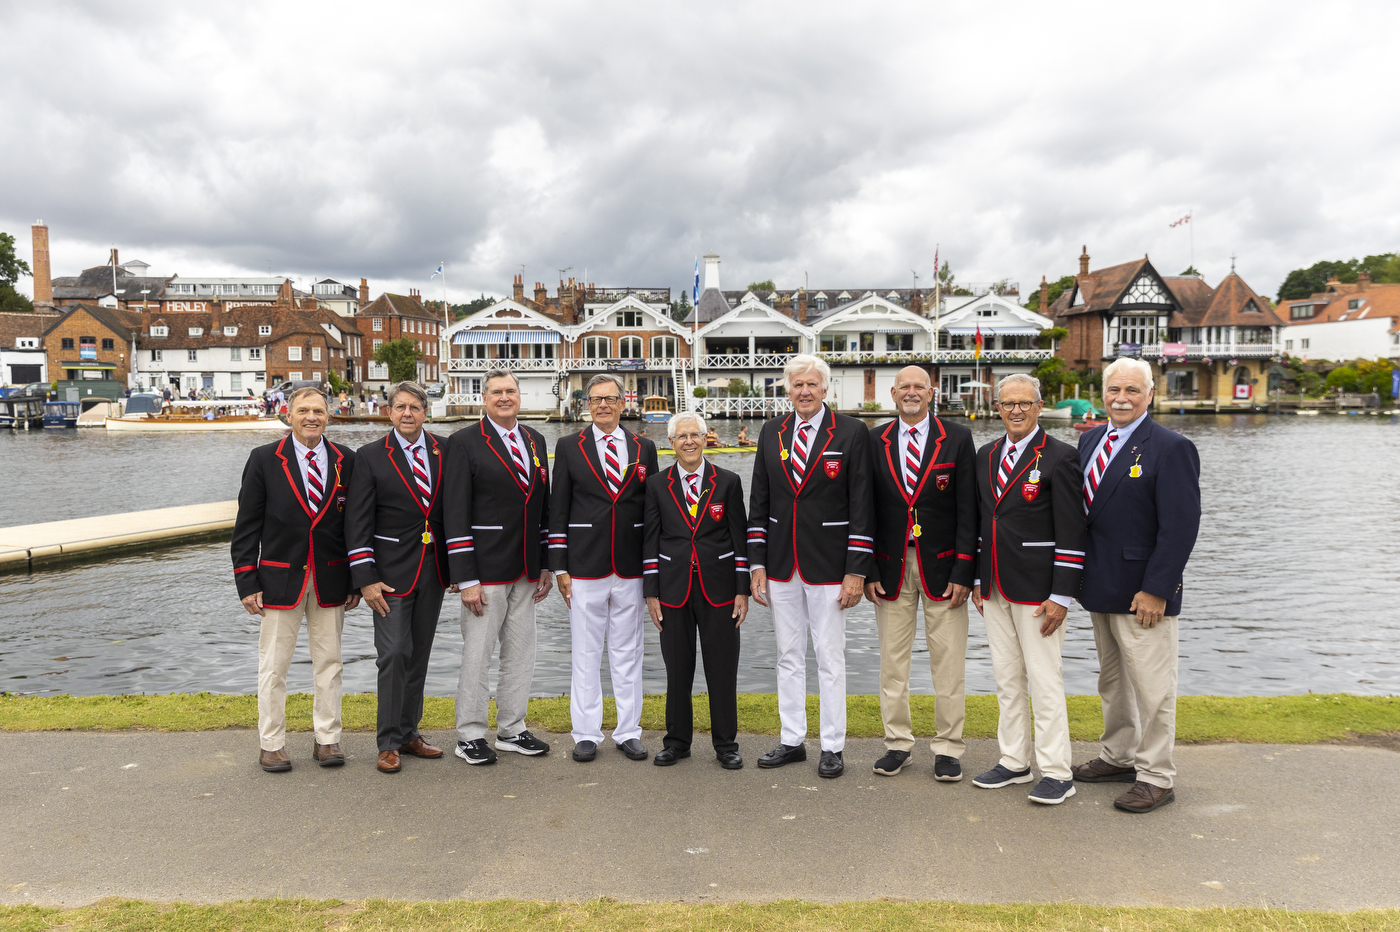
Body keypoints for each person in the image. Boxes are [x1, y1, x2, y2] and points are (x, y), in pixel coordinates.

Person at [1072, 358, 1201, 814]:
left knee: (1153, 687)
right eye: (1114, 390)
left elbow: (1180, 527)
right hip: (1098, 585)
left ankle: (1156, 775)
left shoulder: (1171, 447)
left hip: (1143, 592)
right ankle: (1119, 756)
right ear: (1102, 393)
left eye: (1132, 390)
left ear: (1150, 394)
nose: (1121, 398)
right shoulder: (1089, 439)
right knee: (1113, 682)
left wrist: (1158, 588)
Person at [748, 354, 875, 779]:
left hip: (830, 565)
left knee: (829, 657)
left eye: (812, 384)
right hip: (782, 564)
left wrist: (856, 570)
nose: (804, 391)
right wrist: (756, 563)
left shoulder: (853, 432)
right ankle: (792, 740)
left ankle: (833, 745)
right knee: (787, 654)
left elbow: (862, 505)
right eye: (797, 384)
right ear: (789, 390)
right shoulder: (772, 431)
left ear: (826, 389)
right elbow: (759, 503)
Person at [970, 373, 1086, 805]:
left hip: (1039, 591)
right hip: (995, 586)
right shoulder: (986, 455)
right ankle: (1014, 761)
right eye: (1008, 403)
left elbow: (1073, 532)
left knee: (1045, 681)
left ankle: (1057, 771)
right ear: (997, 408)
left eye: (1024, 403)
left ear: (1039, 406)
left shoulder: (1060, 457)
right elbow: (986, 522)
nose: (1016, 410)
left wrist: (1061, 596)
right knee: (1006, 679)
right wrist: (980, 580)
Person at [231, 387, 358, 772]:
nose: (311, 418)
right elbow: (246, 528)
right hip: (278, 580)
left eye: (318, 411)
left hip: (330, 579)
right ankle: (271, 743)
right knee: (273, 666)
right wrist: (247, 581)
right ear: (289, 414)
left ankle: (328, 740)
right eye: (303, 410)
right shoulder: (265, 459)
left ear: (329, 416)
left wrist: (356, 580)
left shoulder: (346, 461)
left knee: (330, 663)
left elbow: (353, 526)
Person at [865, 366, 977, 780]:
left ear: (932, 393)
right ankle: (897, 744)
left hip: (944, 567)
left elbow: (970, 510)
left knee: (948, 663)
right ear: (893, 393)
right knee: (893, 663)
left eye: (920, 387)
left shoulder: (958, 438)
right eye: (905, 387)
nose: (912, 393)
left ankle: (948, 747)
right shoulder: (873, 439)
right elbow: (865, 509)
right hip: (890, 568)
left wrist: (965, 570)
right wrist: (869, 567)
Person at [443, 369, 554, 765]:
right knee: (478, 654)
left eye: (510, 391)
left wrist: (546, 564)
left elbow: (542, 507)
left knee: (521, 653)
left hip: (525, 568)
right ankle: (470, 735)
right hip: (484, 570)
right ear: (484, 399)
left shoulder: (535, 440)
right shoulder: (463, 443)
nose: (504, 397)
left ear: (519, 396)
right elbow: (453, 512)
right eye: (496, 392)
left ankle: (512, 728)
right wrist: (466, 577)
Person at [549, 373, 660, 763]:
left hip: (630, 565)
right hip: (584, 564)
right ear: (587, 405)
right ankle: (586, 733)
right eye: (595, 400)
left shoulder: (644, 447)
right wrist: (559, 566)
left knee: (628, 652)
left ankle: (629, 730)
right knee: (585, 651)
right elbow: (557, 509)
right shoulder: (568, 446)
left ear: (622, 402)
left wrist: (652, 570)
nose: (603, 406)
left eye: (610, 399)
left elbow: (652, 511)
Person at [345, 381, 451, 774]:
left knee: (418, 655)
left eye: (415, 407)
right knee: (393, 654)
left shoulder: (444, 450)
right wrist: (365, 578)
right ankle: (387, 742)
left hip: (434, 569)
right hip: (388, 575)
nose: (408, 413)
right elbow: (357, 523)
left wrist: (457, 567)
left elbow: (451, 511)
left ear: (426, 412)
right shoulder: (370, 456)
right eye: (400, 407)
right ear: (389, 412)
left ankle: (409, 733)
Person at [643, 412, 749, 770]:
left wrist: (742, 590)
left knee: (722, 669)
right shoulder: (657, 485)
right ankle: (676, 742)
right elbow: (650, 541)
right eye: (681, 436)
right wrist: (651, 591)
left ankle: (726, 744)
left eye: (695, 435)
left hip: (719, 590)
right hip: (673, 591)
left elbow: (739, 540)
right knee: (678, 670)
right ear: (671, 443)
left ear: (705, 439)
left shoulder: (728, 482)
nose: (689, 441)